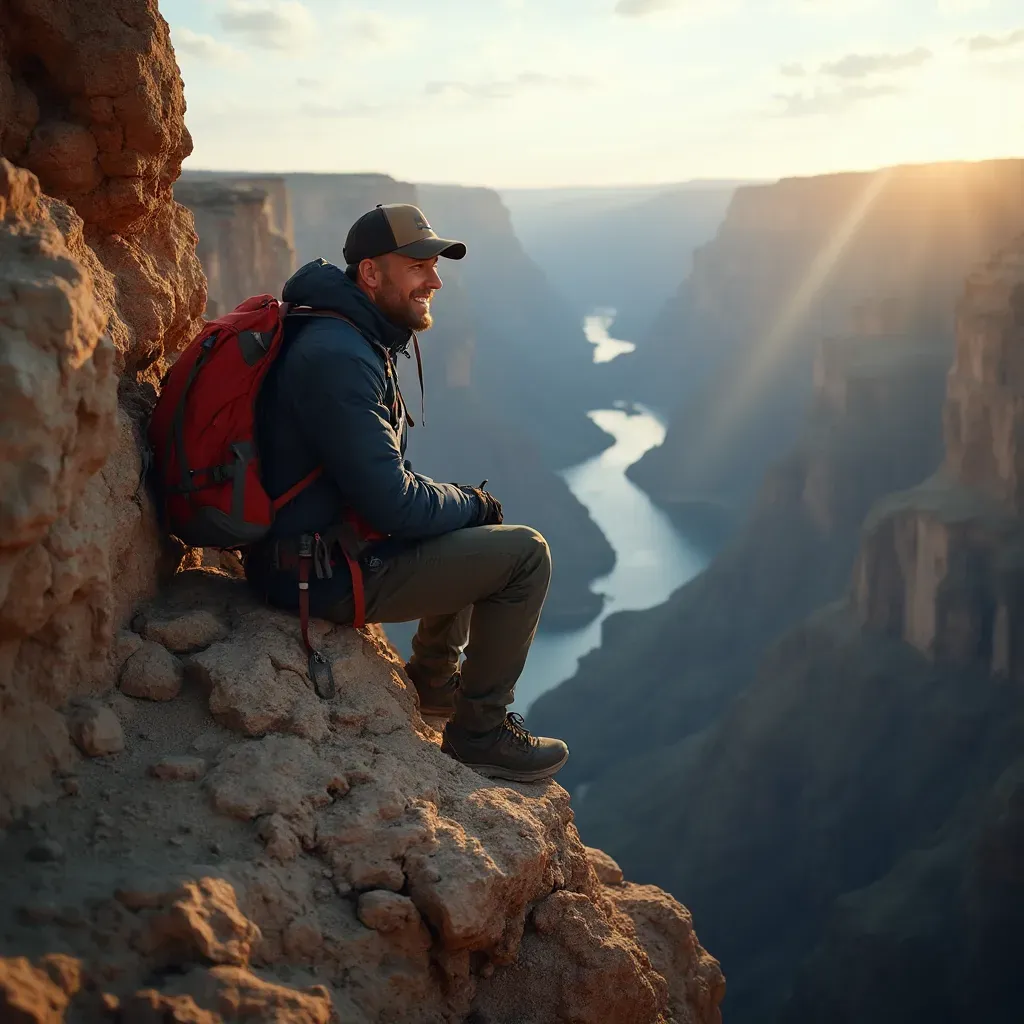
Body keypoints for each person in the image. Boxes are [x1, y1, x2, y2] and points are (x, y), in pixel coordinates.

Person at [244, 203, 568, 782]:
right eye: (419, 264)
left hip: (316, 552)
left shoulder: (348, 333)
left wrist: (464, 507)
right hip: (317, 576)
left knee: (468, 521)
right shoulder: (338, 356)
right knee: (525, 555)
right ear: (371, 274)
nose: (435, 280)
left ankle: (434, 685)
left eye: (436, 265)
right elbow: (390, 503)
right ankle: (480, 733)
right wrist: (471, 502)